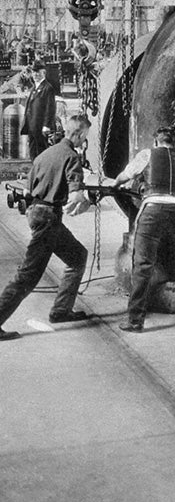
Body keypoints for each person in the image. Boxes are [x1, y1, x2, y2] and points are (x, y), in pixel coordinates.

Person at [111, 127, 175, 332]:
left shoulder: (146, 155)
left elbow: (125, 176)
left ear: (156, 142)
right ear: (173, 143)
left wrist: (115, 185)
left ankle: (135, 320)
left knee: (142, 265)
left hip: (151, 212)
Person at [0, 113, 93, 341]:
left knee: (77, 256)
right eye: (85, 137)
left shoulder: (45, 154)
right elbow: (75, 194)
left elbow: (28, 189)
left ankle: (61, 311)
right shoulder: (71, 156)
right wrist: (85, 198)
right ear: (79, 134)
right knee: (27, 276)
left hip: (37, 212)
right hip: (49, 218)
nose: (84, 142)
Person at [21, 61, 56, 160]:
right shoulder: (34, 88)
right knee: (33, 151)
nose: (35, 74)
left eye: (38, 72)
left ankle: (42, 173)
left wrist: (46, 126)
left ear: (44, 73)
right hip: (32, 126)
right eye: (34, 72)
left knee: (41, 151)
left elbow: (50, 109)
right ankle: (35, 170)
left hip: (40, 127)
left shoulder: (47, 88)